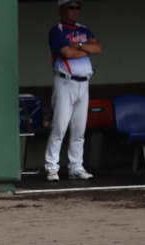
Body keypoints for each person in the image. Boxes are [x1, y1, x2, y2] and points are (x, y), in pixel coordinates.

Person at [44, 0, 102, 182]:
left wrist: (78, 46)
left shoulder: (84, 29)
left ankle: (76, 167)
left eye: (77, 7)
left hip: (83, 83)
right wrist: (86, 48)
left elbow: (98, 49)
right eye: (71, 7)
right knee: (60, 126)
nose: (75, 10)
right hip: (65, 81)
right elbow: (67, 53)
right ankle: (51, 167)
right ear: (61, 10)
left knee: (79, 128)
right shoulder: (57, 30)